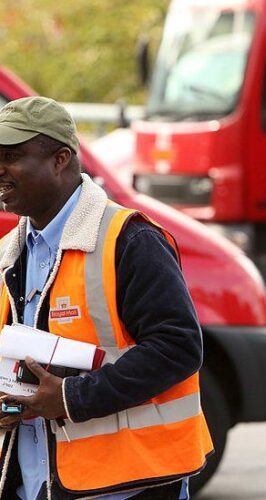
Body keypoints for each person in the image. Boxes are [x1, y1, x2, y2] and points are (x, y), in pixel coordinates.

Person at [0, 96, 212, 499]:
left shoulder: (130, 239)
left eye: (11, 156)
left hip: (127, 486)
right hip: (37, 482)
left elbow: (178, 347)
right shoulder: (9, 252)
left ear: (60, 159)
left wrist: (70, 397)